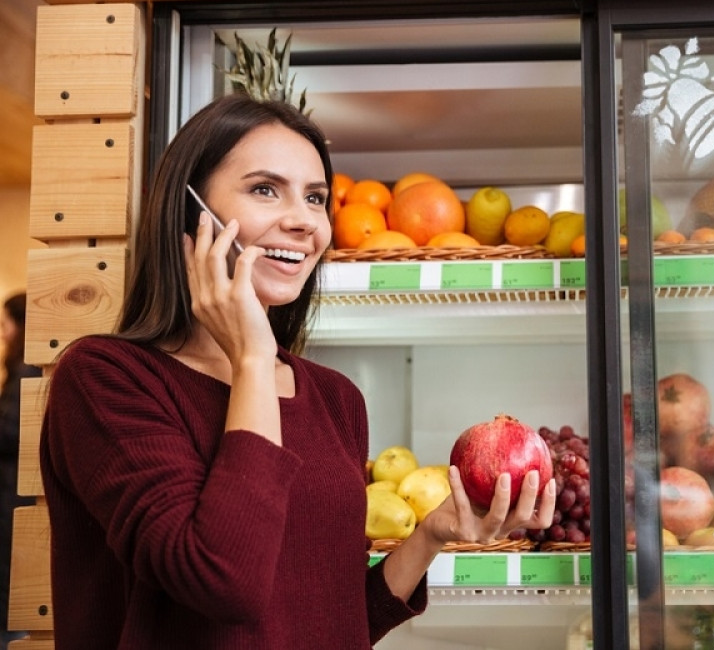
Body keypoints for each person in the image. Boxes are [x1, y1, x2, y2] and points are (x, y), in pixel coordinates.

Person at [40, 93, 556, 649]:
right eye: (265, 189)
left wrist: (431, 535)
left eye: (315, 198)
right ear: (190, 210)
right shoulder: (106, 381)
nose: (303, 221)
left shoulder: (336, 399)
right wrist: (253, 358)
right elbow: (223, 582)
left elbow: (327, 621)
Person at [0, 292, 40, 649]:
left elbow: (11, 431)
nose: (3, 333)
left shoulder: (26, 368)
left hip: (13, 491)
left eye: (5, 324)